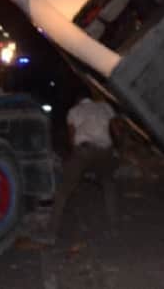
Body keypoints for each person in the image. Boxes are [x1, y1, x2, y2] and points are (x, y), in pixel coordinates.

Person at [40, 94, 122, 244]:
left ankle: (50, 234)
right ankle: (114, 227)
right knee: (108, 185)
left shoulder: (74, 111)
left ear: (78, 101)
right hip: (105, 150)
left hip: (85, 149)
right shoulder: (104, 106)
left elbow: (72, 135)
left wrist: (75, 157)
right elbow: (116, 129)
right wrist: (118, 148)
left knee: (63, 191)